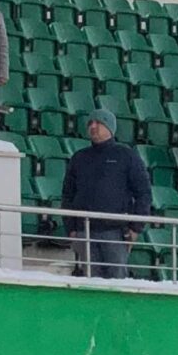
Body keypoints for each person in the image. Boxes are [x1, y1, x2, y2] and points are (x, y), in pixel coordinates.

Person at [63, 110, 152, 279]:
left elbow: (143, 193)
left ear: (110, 127)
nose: (93, 126)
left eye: (99, 122)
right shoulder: (79, 158)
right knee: (90, 279)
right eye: (90, 123)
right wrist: (71, 228)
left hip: (115, 231)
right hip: (85, 230)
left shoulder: (126, 156)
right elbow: (68, 194)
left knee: (117, 279)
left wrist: (135, 228)